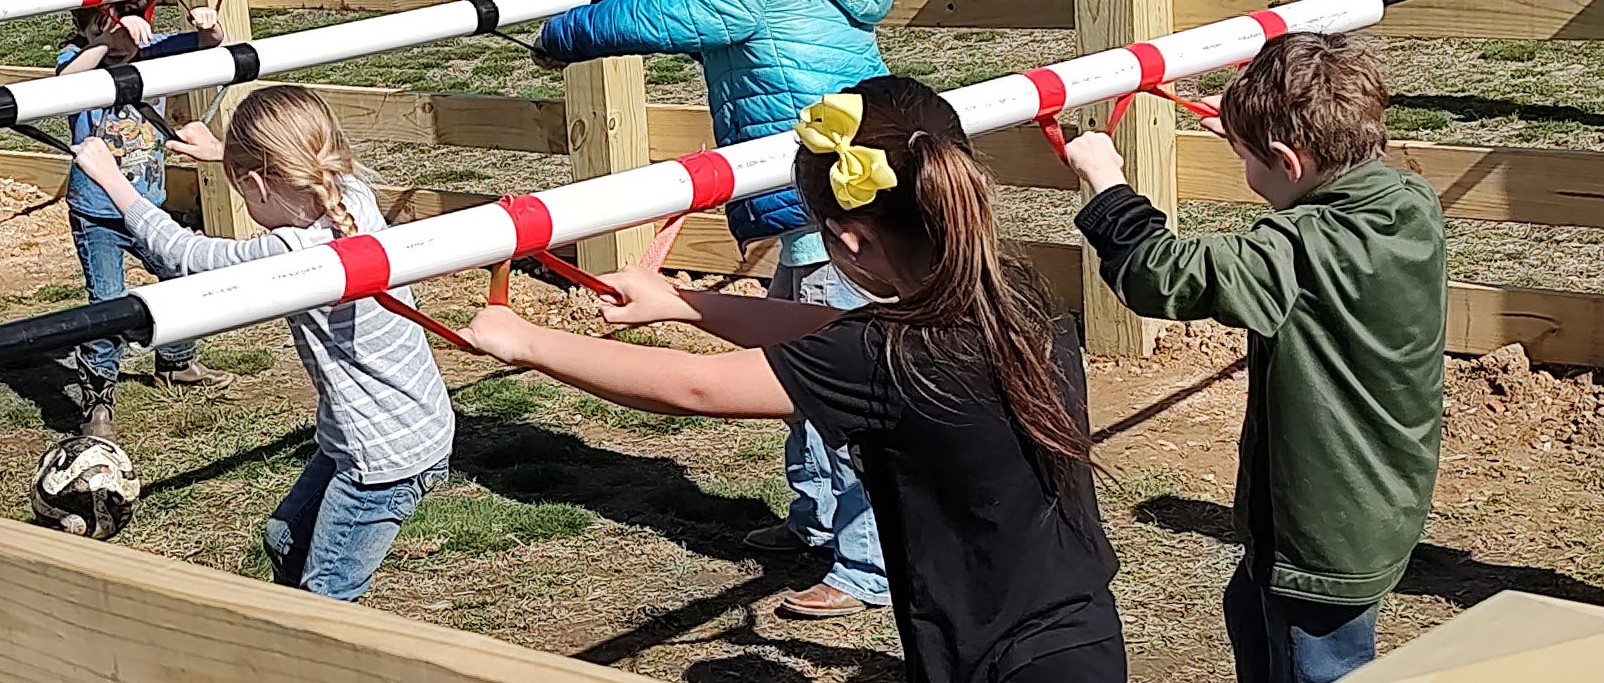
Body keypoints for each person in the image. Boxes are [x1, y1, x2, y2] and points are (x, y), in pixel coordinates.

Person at [462, 77, 1122, 683]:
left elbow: (697, 387)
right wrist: (684, 303)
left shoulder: (886, 355)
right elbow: (833, 328)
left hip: (1002, 657)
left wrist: (529, 342)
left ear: (850, 239)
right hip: (1073, 625)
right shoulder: (1014, 297)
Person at [530, 0, 901, 619]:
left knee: (838, 389)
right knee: (800, 369)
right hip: (839, 199)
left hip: (823, 212)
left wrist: (559, 35)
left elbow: (654, 18)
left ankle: (867, 566)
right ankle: (815, 521)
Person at [1066, 31, 1444, 683]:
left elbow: (1159, 273)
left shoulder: (1296, 251)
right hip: (1374, 501)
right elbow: (1310, 170)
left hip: (1319, 533)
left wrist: (1107, 183)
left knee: (1314, 663)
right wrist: (1250, 133)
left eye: (1247, 157)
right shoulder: (1408, 201)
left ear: (1287, 162)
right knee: (1251, 615)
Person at [69, 84, 452, 599]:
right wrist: (224, 152)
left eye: (243, 187)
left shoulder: (295, 253)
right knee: (285, 541)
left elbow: (185, 255)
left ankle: (315, 643)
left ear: (257, 182)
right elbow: (288, 168)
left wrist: (114, 181)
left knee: (327, 596)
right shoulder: (349, 193)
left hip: (385, 456)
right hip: (391, 429)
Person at [56, 0, 230, 414]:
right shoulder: (76, 58)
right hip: (97, 213)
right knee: (107, 303)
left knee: (179, 277)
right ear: (87, 29)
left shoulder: (154, 51)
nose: (121, 45)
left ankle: (176, 361)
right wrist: (104, 42)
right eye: (105, 32)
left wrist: (207, 24)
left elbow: (210, 44)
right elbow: (65, 84)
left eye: (128, 33)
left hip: (148, 205)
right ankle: (99, 393)